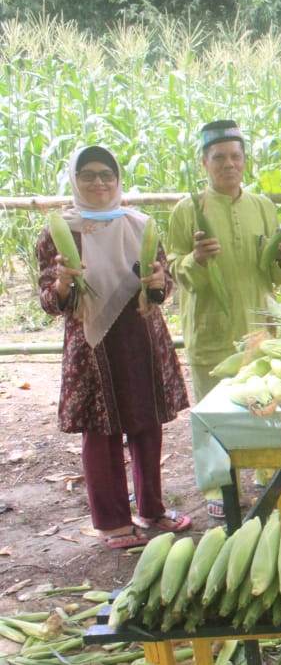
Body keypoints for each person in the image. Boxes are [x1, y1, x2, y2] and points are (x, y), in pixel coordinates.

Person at [38, 147, 191, 549]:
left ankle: (152, 508)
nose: (99, 183)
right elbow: (49, 301)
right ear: (74, 180)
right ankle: (111, 521)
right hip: (92, 343)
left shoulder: (140, 225)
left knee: (147, 423)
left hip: (140, 334)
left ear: (118, 177)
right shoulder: (60, 231)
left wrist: (159, 285)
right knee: (101, 431)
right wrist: (63, 285)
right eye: (87, 175)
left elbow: (161, 285)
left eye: (106, 174)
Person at [167, 119, 281, 517]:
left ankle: (265, 475)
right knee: (212, 412)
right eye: (219, 157)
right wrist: (197, 258)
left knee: (263, 402)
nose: (228, 164)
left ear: (245, 161)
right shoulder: (187, 210)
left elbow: (271, 273)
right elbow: (174, 268)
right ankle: (217, 488)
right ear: (204, 163)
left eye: (235, 156)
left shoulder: (261, 207)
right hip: (211, 327)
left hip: (258, 326)